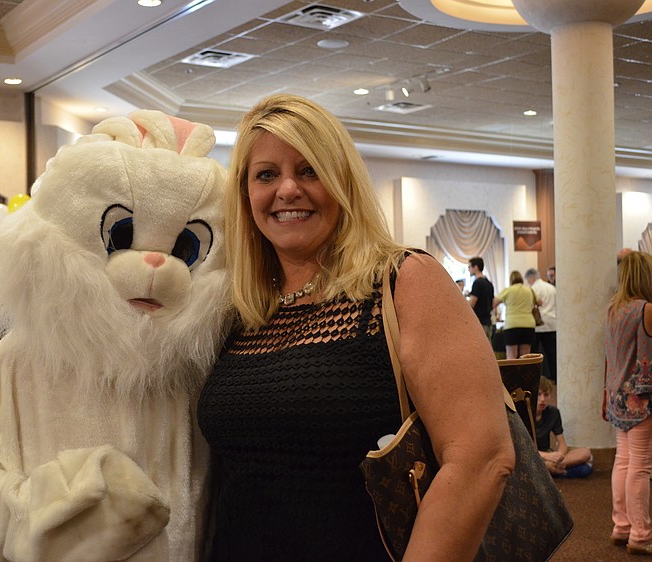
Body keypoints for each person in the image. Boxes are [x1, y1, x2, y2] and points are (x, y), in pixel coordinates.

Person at [196, 93, 515, 561]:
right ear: (245, 194)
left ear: (343, 181)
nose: (287, 190)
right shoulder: (239, 310)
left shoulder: (405, 279)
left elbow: (482, 459)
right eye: (267, 174)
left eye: (309, 170)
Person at [604, 251, 652, 555]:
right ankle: (641, 534)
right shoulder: (645, 309)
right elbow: (647, 361)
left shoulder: (613, 309)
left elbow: (607, 358)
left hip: (615, 394)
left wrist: (605, 395)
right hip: (640, 398)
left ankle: (621, 527)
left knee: (623, 461)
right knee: (641, 465)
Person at [536, 376, 592, 477]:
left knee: (586, 453)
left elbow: (562, 444)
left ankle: (550, 469)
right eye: (539, 395)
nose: (542, 399)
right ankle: (556, 471)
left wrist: (559, 457)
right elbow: (522, 449)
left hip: (549, 456)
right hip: (532, 456)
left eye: (546, 394)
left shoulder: (553, 413)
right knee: (585, 469)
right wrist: (547, 456)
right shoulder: (522, 415)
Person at [493, 270, 537, 359]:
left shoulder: (508, 290)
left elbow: (494, 303)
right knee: (525, 356)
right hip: (528, 325)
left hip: (512, 325)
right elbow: (540, 302)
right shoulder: (529, 290)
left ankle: (512, 373)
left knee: (511, 355)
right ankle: (525, 373)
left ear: (511, 280)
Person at [526, 268, 558, 381]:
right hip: (552, 324)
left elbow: (530, 306)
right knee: (552, 353)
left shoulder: (533, 289)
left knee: (534, 355)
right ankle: (555, 377)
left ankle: (535, 378)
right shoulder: (552, 288)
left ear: (531, 277)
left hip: (537, 326)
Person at [468, 257, 495, 340]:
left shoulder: (477, 283)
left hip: (479, 323)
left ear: (475, 267)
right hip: (488, 322)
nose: (468, 270)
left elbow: (471, 304)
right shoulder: (489, 283)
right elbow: (493, 303)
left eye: (469, 267)